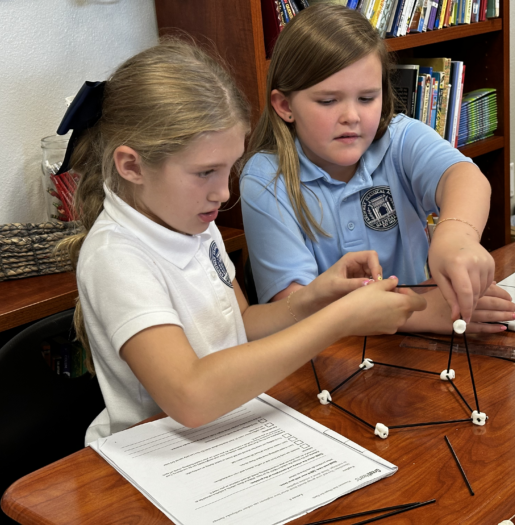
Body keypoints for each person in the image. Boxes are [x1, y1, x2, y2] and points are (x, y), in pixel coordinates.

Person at [56, 40, 427, 444]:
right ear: (131, 166)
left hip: (231, 431)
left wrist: (316, 298)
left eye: (229, 168)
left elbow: (242, 325)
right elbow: (190, 396)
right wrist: (339, 320)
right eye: (205, 172)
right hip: (163, 455)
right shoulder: (117, 258)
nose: (223, 193)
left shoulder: (188, 219)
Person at [241, 4, 515, 333]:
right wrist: (422, 311)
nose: (351, 117)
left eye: (367, 98)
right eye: (328, 101)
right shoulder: (266, 179)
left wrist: (456, 236)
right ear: (285, 106)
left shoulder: (400, 137)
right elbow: (294, 309)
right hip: (330, 359)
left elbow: (465, 177)